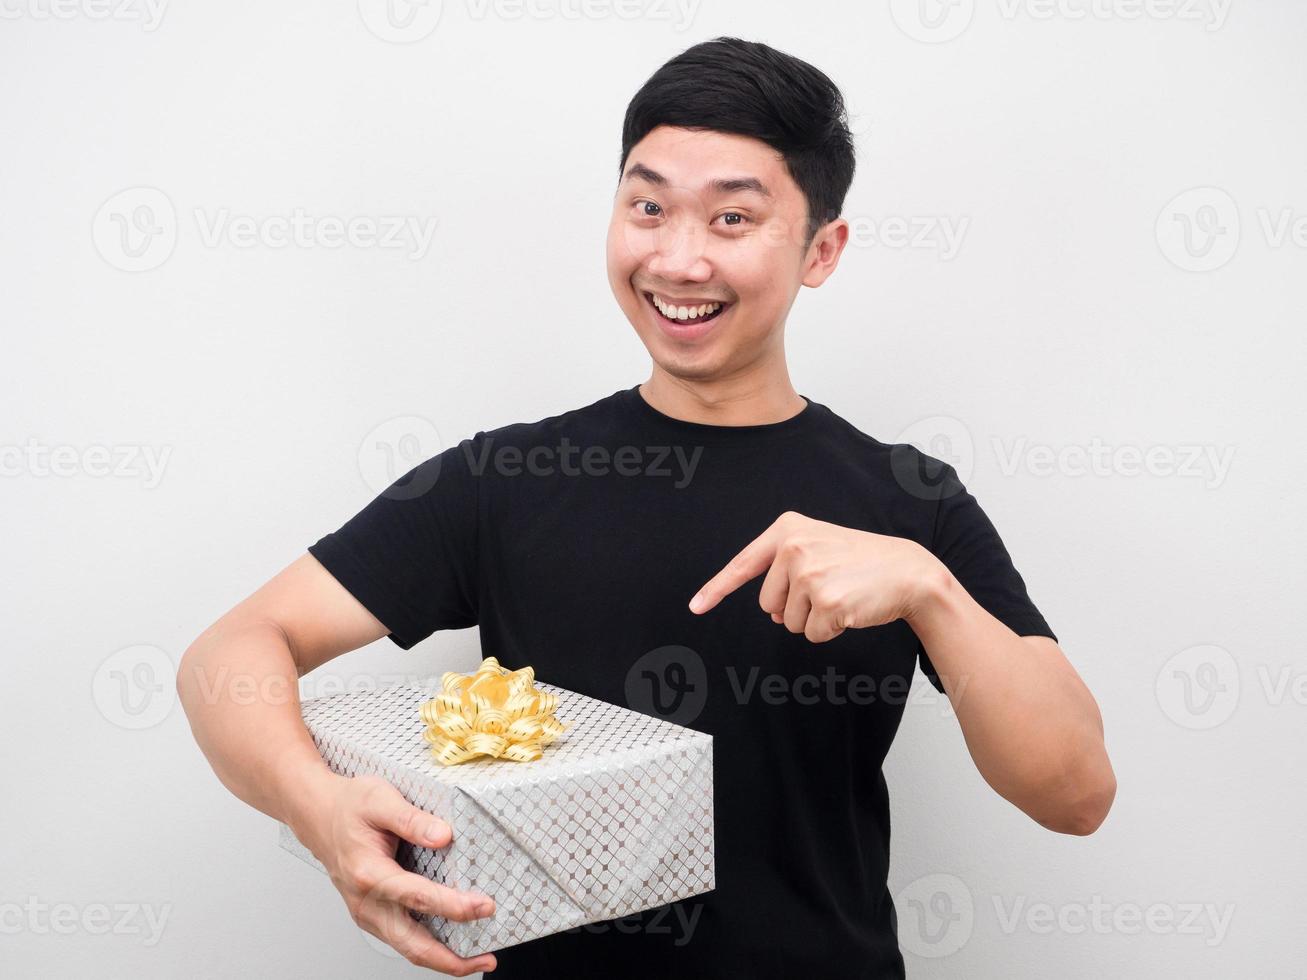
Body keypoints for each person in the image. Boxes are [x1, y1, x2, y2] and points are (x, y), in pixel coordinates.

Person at [177, 35, 1115, 979]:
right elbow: (230, 653)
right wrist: (316, 806)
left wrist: (929, 590)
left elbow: (1073, 793)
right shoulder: (501, 478)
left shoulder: (908, 502)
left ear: (820, 249)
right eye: (648, 206)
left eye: (732, 219)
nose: (678, 258)